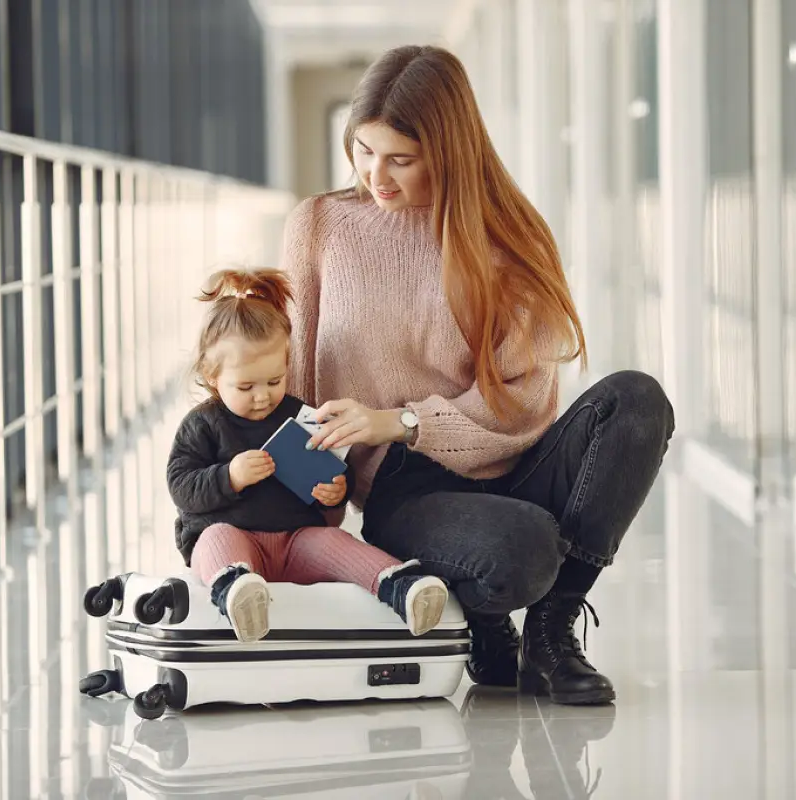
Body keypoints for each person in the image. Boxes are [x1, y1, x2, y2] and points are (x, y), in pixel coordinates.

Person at [282, 45, 675, 705]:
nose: (377, 175)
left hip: (512, 459)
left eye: (401, 159)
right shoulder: (319, 227)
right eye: (364, 150)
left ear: (450, 150)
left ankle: (552, 633)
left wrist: (403, 419)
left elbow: (522, 407)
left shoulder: (509, 239)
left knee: (638, 400)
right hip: (405, 490)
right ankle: (488, 615)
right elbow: (294, 388)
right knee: (523, 550)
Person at [166, 268, 449, 643]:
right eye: (246, 386)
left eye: (274, 381)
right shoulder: (203, 424)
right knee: (216, 538)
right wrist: (229, 476)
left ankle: (400, 585)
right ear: (212, 375)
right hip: (236, 538)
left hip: (297, 538)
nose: (263, 396)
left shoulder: (300, 415)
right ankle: (237, 591)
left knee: (336, 544)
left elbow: (333, 468)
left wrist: (337, 490)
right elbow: (181, 485)